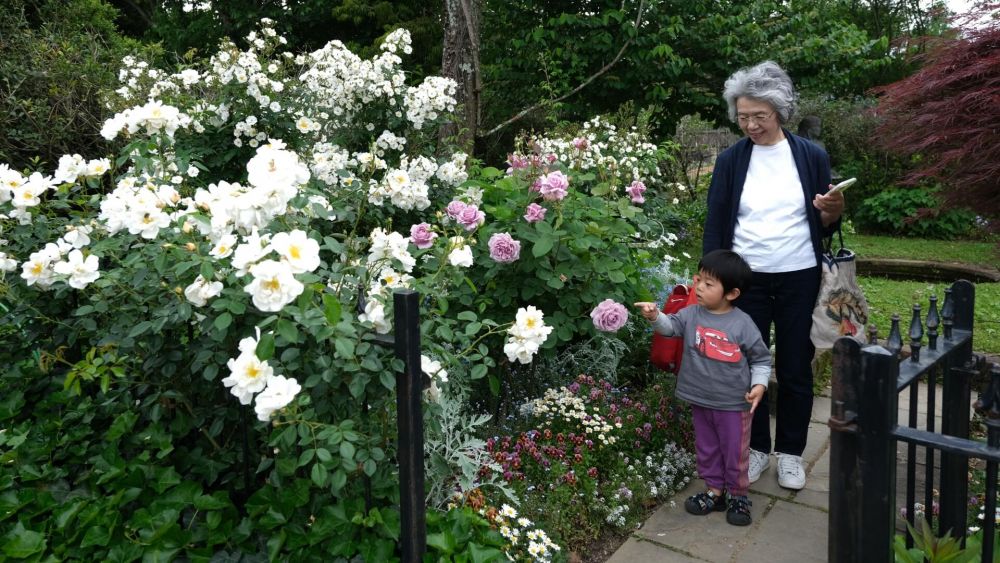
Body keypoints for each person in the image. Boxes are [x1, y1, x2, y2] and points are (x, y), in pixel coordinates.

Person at [702, 61, 845, 490]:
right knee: (748, 366)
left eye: (759, 116)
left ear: (779, 112)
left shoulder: (810, 156)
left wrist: (833, 214)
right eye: (743, 116)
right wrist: (712, 277)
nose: (750, 124)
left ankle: (791, 454)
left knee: (795, 365)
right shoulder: (731, 160)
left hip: (799, 274)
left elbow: (826, 222)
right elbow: (716, 219)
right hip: (747, 279)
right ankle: (758, 448)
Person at [635, 249, 771, 526]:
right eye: (699, 280)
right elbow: (670, 328)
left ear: (731, 293)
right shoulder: (690, 314)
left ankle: (738, 495)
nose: (699, 287)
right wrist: (654, 316)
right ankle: (714, 491)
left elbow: (761, 358)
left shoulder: (742, 324)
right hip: (700, 398)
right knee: (707, 447)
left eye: (709, 284)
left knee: (734, 450)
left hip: (733, 403)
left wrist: (759, 385)